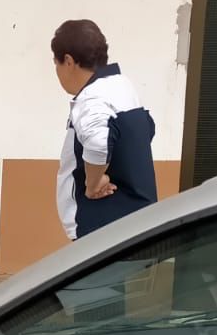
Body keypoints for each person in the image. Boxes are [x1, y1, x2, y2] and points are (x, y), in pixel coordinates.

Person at [52, 19, 157, 242]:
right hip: (129, 225)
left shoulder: (93, 98)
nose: (57, 72)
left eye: (57, 64)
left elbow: (98, 144)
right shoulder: (122, 86)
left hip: (102, 232)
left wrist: (93, 183)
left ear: (69, 61)